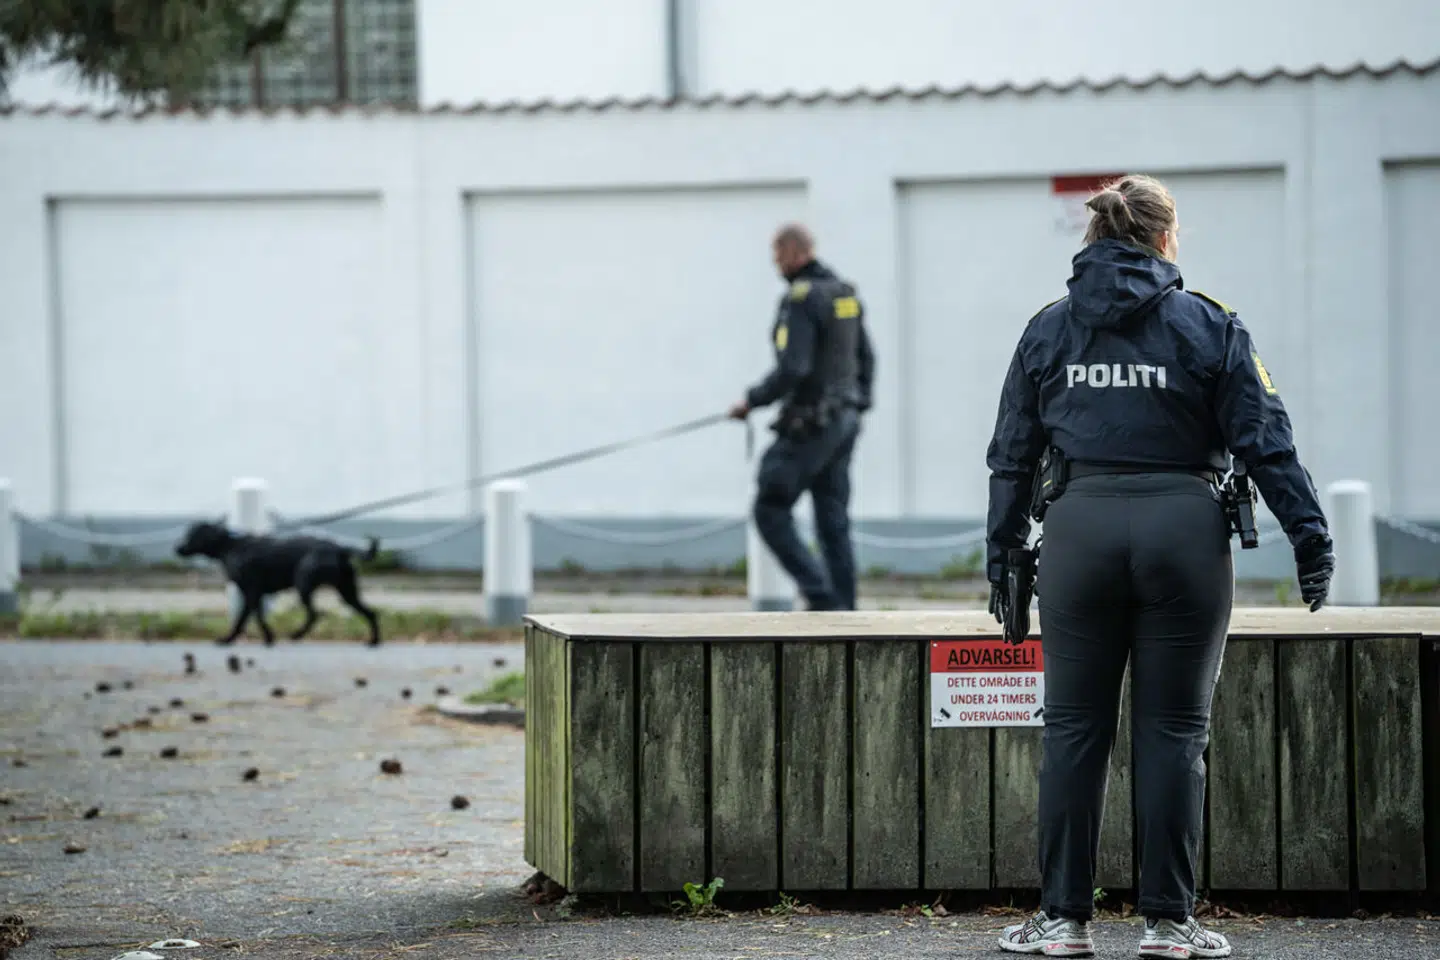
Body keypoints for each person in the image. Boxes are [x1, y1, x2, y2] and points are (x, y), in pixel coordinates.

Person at [984, 175, 1335, 959]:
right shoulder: (1210, 325)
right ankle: (1168, 923)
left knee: (1073, 729)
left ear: (1094, 239)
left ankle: (1064, 921)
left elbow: (1011, 456)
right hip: (1185, 532)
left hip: (1079, 531)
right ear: (1167, 238)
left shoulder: (1048, 329)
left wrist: (1002, 555)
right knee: (1175, 730)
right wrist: (1310, 536)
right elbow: (1266, 442)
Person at [728, 223, 875, 611]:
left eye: (778, 256)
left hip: (811, 423)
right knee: (833, 521)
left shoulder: (801, 298)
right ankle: (845, 614)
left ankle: (823, 600)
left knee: (769, 508)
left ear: (794, 252)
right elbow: (866, 358)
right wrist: (858, 405)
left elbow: (794, 368)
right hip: (844, 423)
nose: (776, 264)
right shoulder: (844, 294)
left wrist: (751, 401)